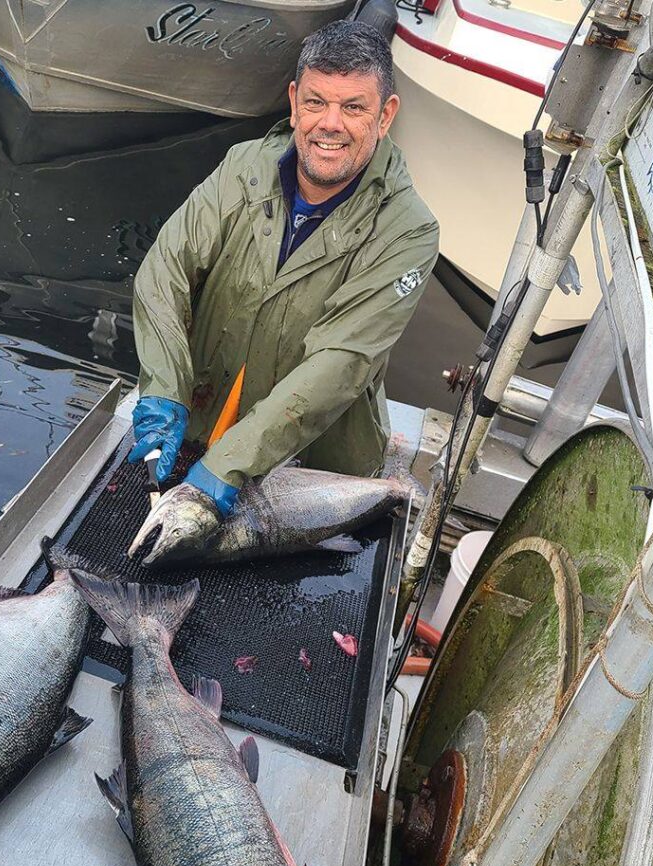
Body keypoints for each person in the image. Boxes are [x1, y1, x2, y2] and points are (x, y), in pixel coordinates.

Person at [128, 19, 439, 550]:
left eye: (354, 107)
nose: (330, 125)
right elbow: (165, 269)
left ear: (385, 115)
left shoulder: (409, 231)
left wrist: (231, 461)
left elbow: (339, 363)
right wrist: (163, 386)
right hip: (202, 424)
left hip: (315, 463)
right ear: (294, 102)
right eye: (316, 102)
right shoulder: (242, 166)